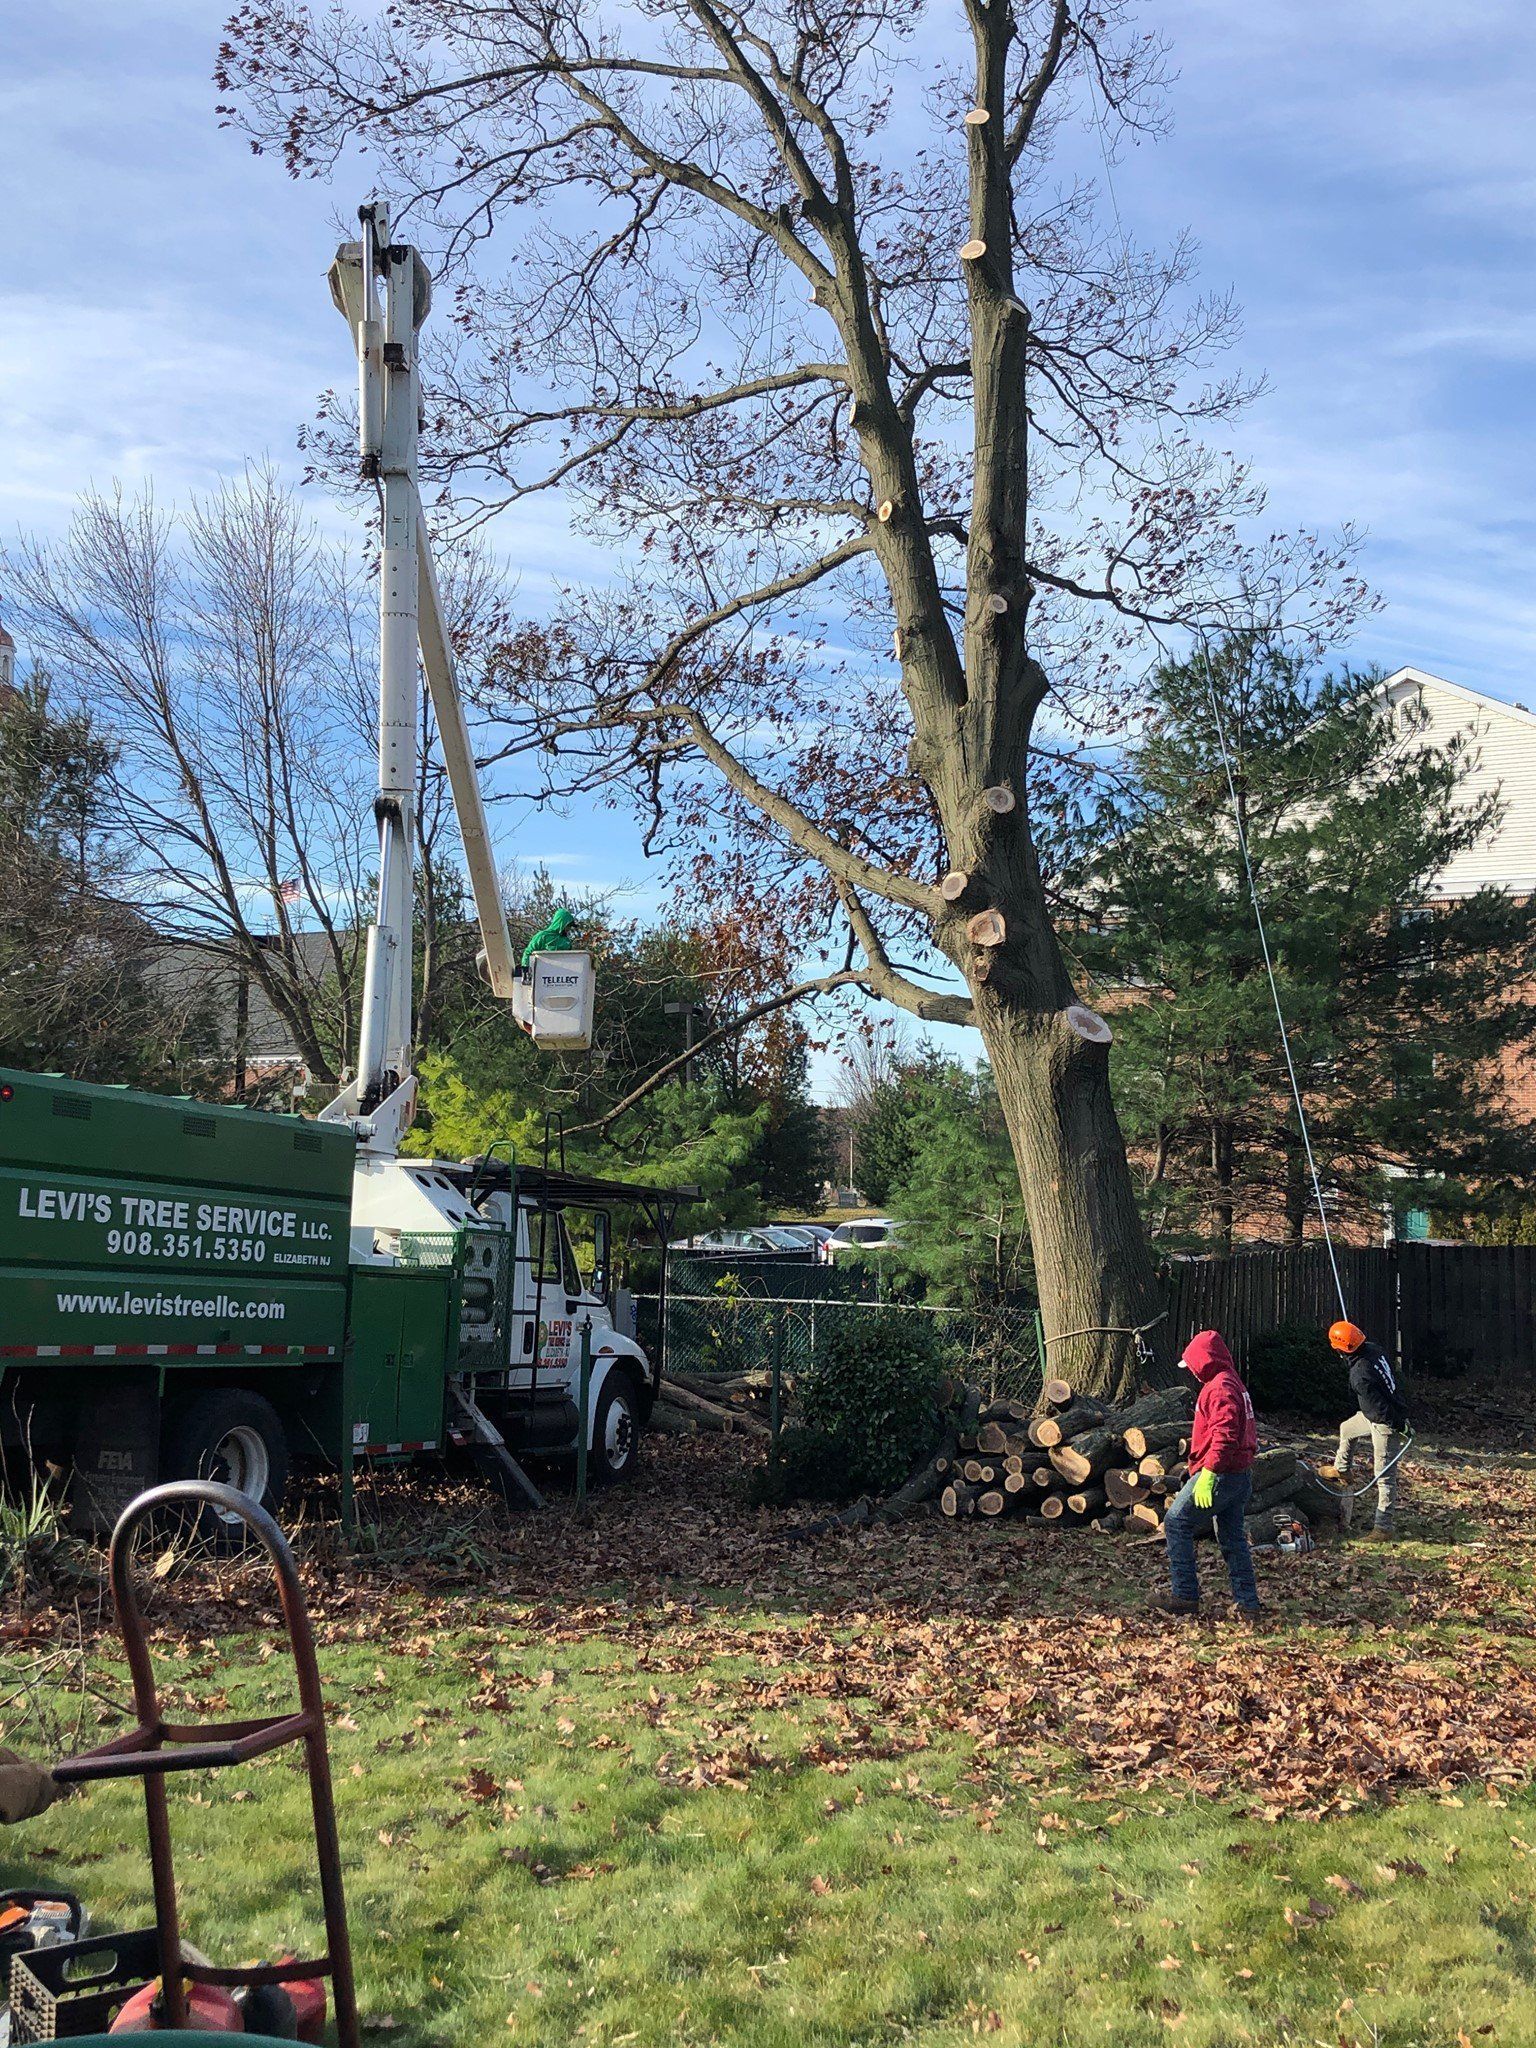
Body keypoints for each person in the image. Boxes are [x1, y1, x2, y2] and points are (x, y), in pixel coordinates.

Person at [1151, 1329, 1261, 1622]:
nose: (1193, 1373)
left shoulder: (1220, 1388)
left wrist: (1209, 1472)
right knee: (1232, 1537)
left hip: (1222, 1474)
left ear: (1205, 1361)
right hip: (1239, 1474)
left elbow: (1225, 1435)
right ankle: (1248, 1604)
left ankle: (1184, 1595)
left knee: (1176, 1522)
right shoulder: (1232, 1382)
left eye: (1194, 1366)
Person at [1322, 1319, 1409, 1537]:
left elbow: (1379, 1410)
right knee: (1347, 1429)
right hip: (1374, 1414)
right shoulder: (1373, 1350)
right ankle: (1342, 1469)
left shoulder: (1360, 1376)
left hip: (1385, 1423)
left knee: (1384, 1475)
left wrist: (1401, 1426)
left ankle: (1383, 1526)